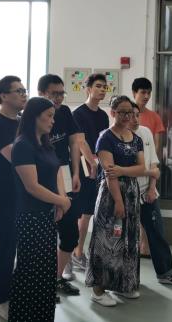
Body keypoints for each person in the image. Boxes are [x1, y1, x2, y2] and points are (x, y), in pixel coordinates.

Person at [86, 95, 156, 307]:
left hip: (132, 192)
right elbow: (110, 174)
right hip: (112, 194)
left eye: (131, 113)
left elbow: (141, 168)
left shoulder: (135, 139)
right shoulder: (105, 138)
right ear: (113, 113)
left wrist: (122, 170)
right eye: (122, 112)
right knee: (107, 240)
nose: (127, 116)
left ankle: (123, 284)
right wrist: (118, 201)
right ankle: (98, 290)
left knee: (129, 239)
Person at [10, 97, 72, 321]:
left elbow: (57, 171)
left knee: (46, 272)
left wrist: (60, 199)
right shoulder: (22, 145)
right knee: (31, 272)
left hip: (46, 214)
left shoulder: (45, 143)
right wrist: (61, 201)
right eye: (49, 116)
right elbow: (32, 186)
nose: (53, 121)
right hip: (30, 216)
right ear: (34, 117)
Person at [0, 75, 28, 320]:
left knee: (25, 248)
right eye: (18, 91)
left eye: (24, 90)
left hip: (26, 193)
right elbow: (17, 158)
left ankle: (19, 293)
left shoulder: (22, 121)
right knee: (5, 248)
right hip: (5, 195)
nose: (23, 94)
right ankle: (3, 299)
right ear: (3, 96)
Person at [129, 103, 172, 286]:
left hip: (147, 191)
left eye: (137, 115)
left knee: (157, 232)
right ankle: (128, 277)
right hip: (127, 193)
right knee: (127, 237)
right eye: (131, 115)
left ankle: (166, 273)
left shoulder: (145, 132)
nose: (135, 119)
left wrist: (152, 188)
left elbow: (153, 163)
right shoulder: (114, 136)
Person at [38, 74, 82, 296]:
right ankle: (42, 283)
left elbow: (74, 142)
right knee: (43, 235)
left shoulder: (64, 112)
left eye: (61, 93)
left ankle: (55, 279)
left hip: (64, 174)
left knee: (70, 233)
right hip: (42, 178)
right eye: (53, 94)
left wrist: (76, 172)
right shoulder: (30, 117)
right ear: (42, 93)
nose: (58, 98)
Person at [72, 73, 109, 271]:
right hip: (83, 169)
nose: (102, 90)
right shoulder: (78, 114)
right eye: (98, 86)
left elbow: (103, 143)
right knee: (80, 213)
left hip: (98, 168)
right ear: (88, 89)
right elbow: (81, 141)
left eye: (104, 87)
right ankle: (76, 253)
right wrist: (92, 163)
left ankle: (79, 253)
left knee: (89, 212)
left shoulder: (103, 116)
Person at [132, 77, 165, 257]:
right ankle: (136, 243)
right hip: (131, 172)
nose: (146, 96)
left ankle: (145, 244)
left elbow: (157, 146)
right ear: (134, 93)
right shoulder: (126, 116)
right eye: (142, 92)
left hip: (149, 169)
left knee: (148, 206)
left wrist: (153, 168)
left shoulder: (154, 117)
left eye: (148, 93)